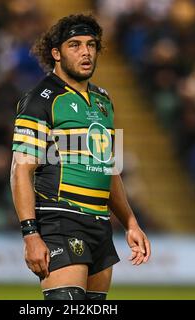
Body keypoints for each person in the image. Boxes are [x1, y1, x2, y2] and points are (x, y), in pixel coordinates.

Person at [10, 14, 151, 300]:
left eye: (91, 44)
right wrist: (30, 234)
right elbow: (20, 171)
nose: (85, 52)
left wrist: (131, 223)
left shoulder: (103, 100)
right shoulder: (41, 99)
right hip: (60, 219)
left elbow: (108, 168)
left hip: (100, 224)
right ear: (56, 53)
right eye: (74, 45)